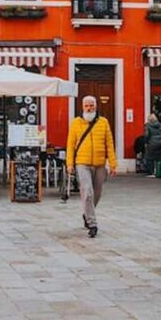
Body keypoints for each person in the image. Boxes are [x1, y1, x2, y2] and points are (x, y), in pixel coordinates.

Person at [66, 96, 117, 238]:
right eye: (86, 105)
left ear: (96, 106)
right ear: (82, 107)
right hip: (82, 163)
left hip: (100, 164)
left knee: (97, 193)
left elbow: (110, 144)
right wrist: (69, 164)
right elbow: (70, 145)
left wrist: (113, 164)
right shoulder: (76, 123)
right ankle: (92, 224)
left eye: (92, 105)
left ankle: (87, 213)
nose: (89, 108)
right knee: (87, 192)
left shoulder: (103, 122)